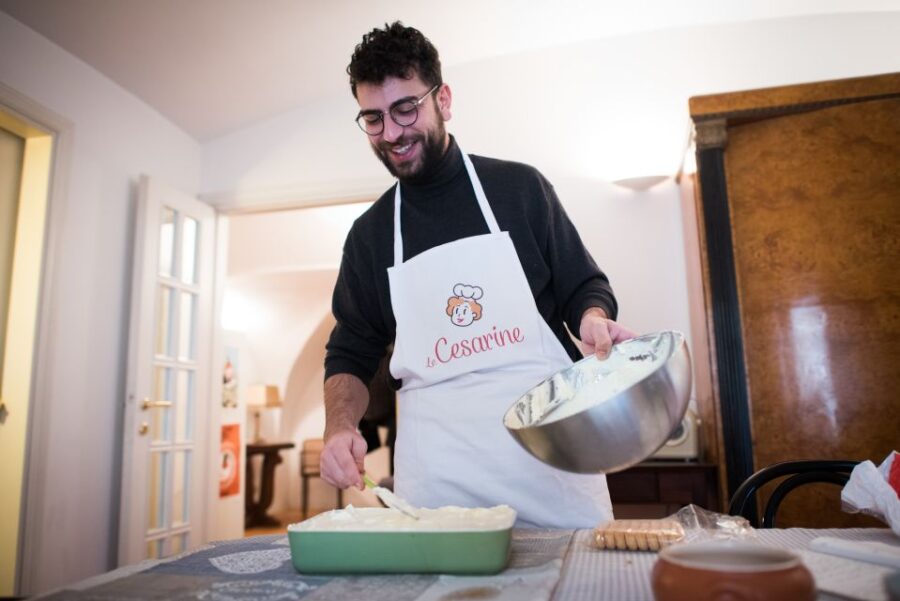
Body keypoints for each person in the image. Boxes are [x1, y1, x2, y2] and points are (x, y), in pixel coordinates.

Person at [319, 21, 636, 528]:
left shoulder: (520, 189)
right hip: (438, 483)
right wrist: (339, 427)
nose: (392, 133)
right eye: (374, 118)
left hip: (551, 467)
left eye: (406, 108)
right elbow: (350, 351)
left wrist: (593, 319)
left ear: (443, 100)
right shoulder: (370, 235)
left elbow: (583, 286)